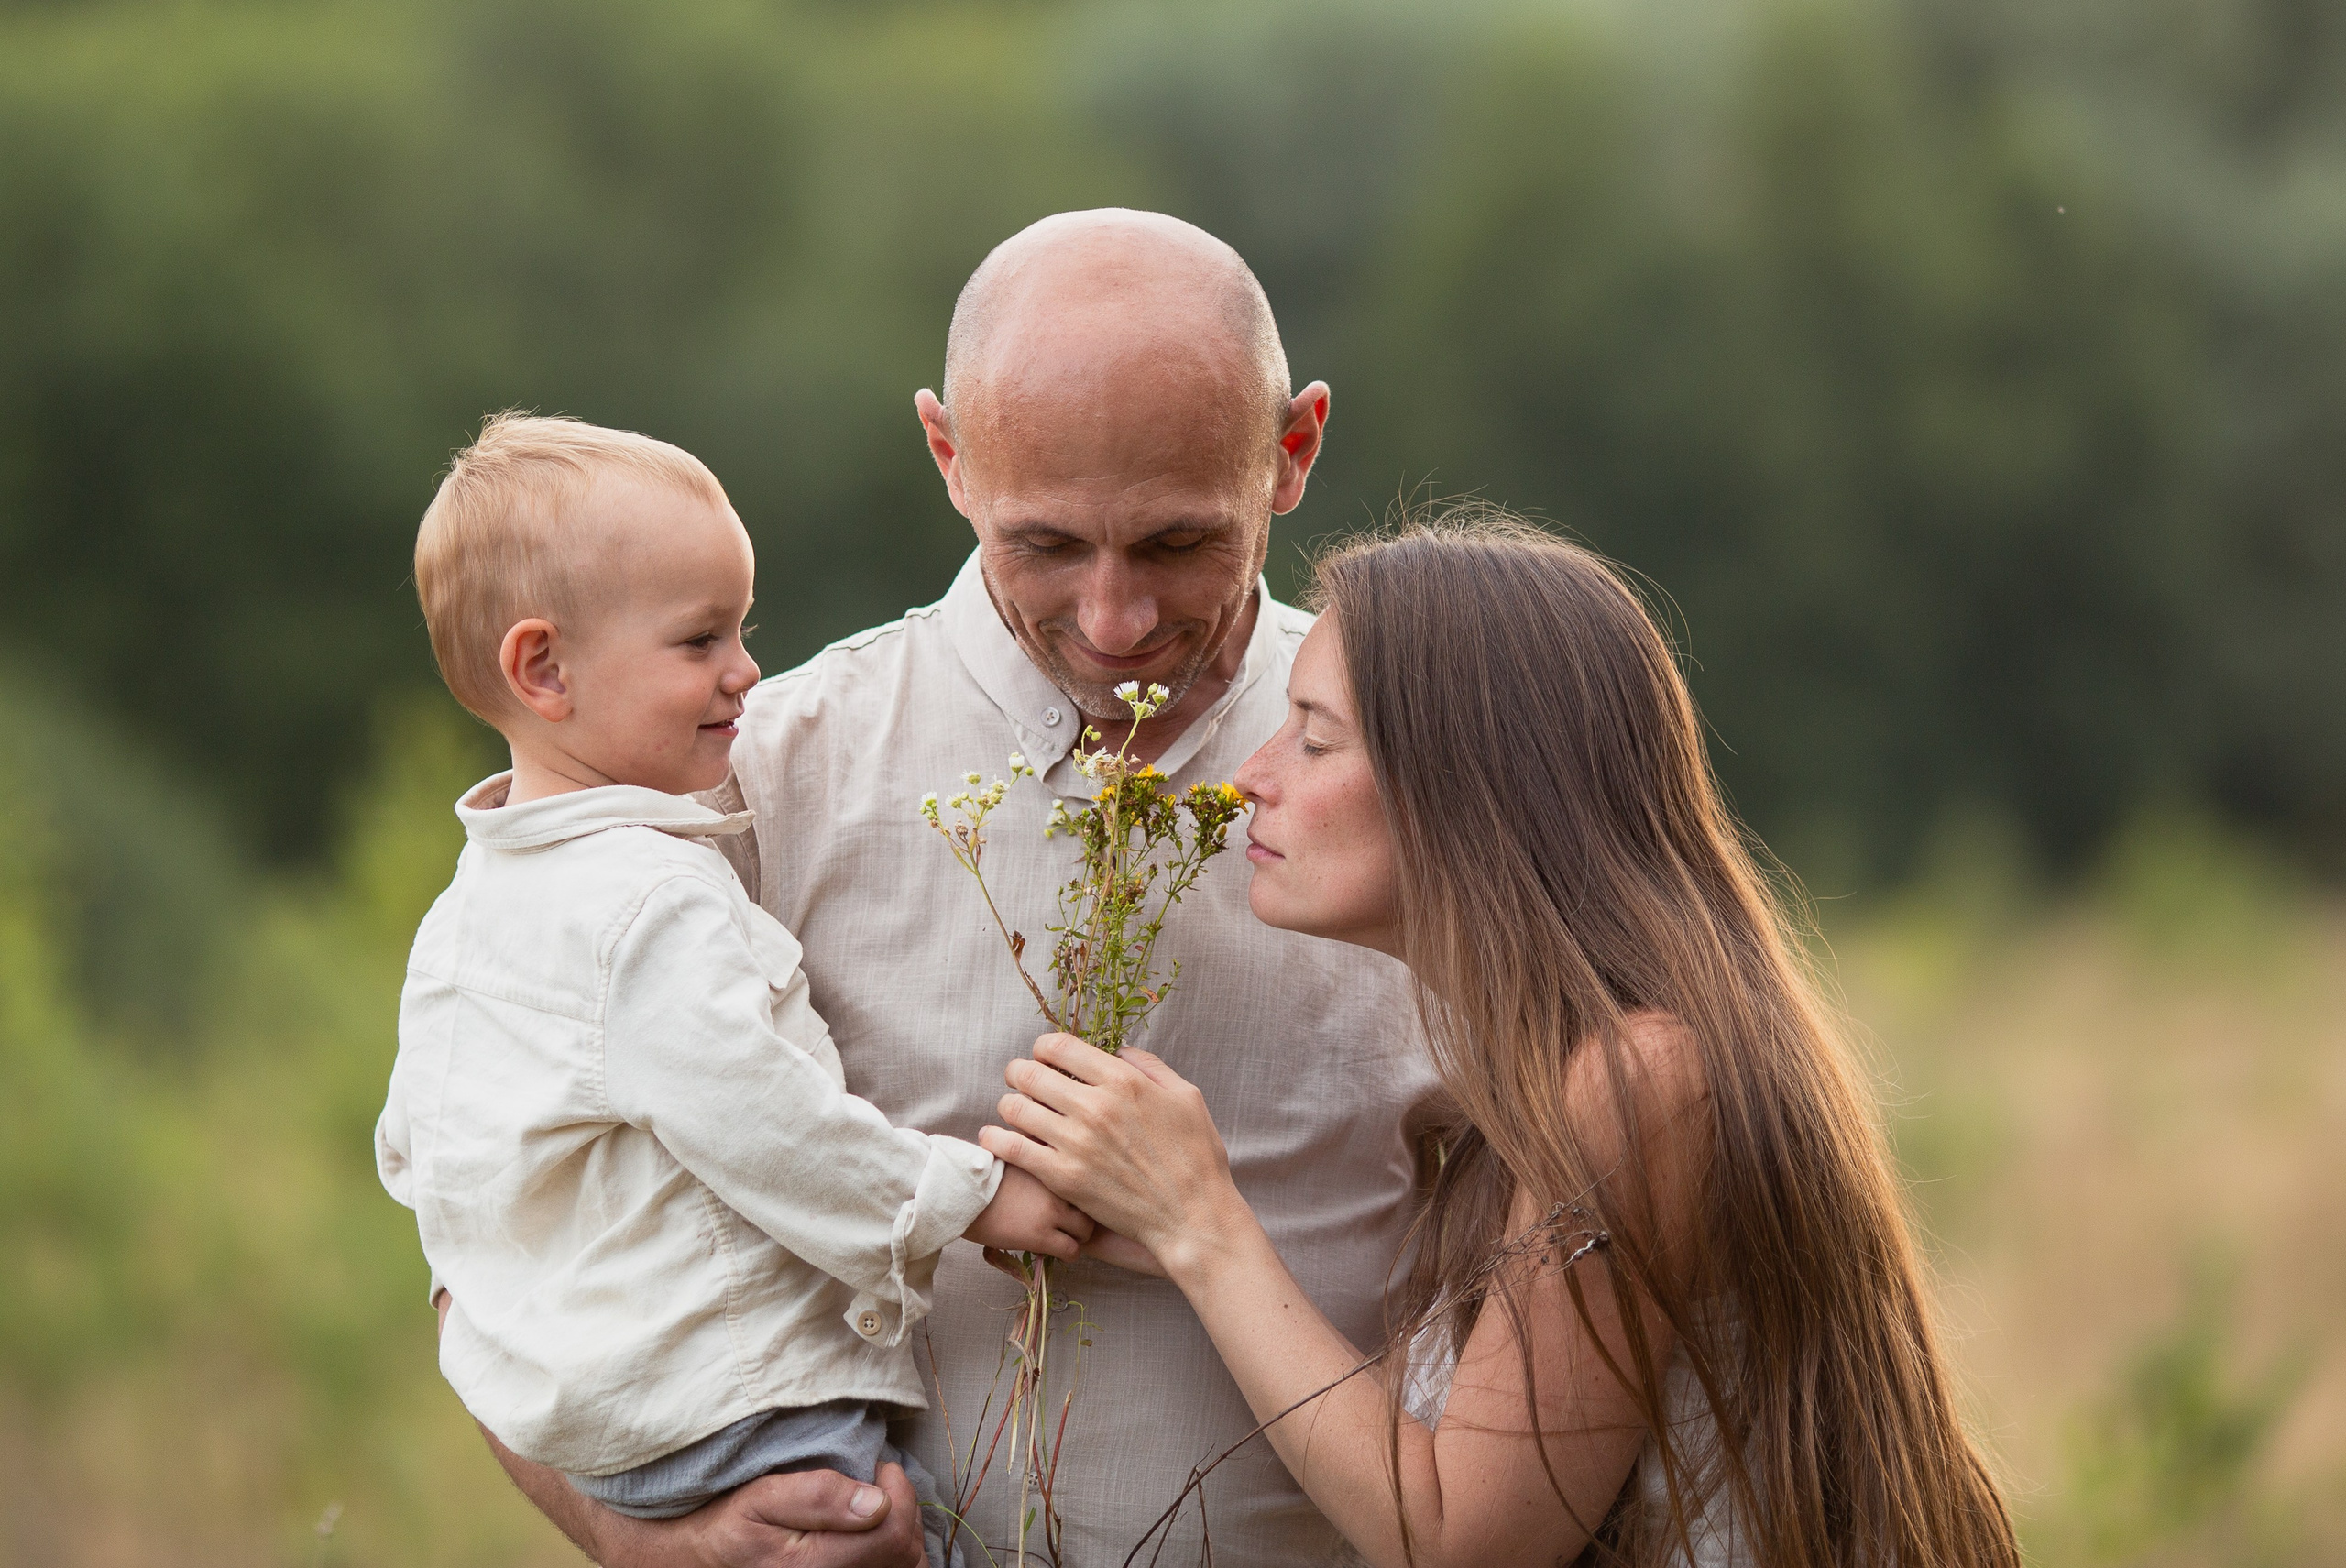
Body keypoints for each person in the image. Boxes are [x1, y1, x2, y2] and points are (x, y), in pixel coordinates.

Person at [478, 212, 1444, 1566]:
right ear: (948, 456)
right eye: (1046, 545)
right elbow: (498, 1224)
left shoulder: (1434, 775)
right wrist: (651, 1546)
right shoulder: (747, 780)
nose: (1114, 620)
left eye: (1177, 544)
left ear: (1293, 452)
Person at [986, 515, 2026, 1568]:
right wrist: (1161, 1228)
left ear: (1467, 783)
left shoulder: (1639, 1084)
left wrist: (1205, 1226)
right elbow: (1431, 1448)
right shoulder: (1537, 1090)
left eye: (1313, 736)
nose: (1251, 775)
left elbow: (1465, 1541)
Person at [378, 415, 1093, 1568]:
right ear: (543, 669)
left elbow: (420, 1162)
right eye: (700, 639)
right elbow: (771, 1126)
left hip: (609, 1433)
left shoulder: (465, 918)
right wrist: (969, 1199)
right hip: (746, 1409)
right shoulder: (648, 900)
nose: (745, 669)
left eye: (741, 628)